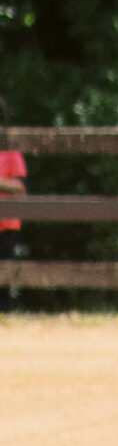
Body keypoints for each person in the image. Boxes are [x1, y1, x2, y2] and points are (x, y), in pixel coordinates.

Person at [0, 96, 24, 314]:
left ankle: (4, 314)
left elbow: (20, 187)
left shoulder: (10, 150)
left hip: (5, 223)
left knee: (4, 273)